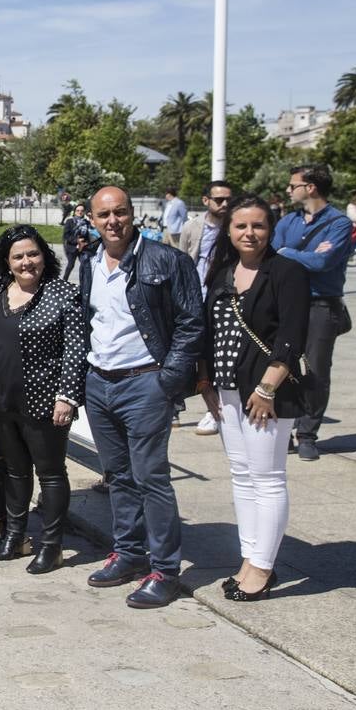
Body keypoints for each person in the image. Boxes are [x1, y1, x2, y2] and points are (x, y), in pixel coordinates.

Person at [80, 186, 203, 609]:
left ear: (133, 215)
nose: (112, 221)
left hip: (145, 383)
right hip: (100, 384)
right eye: (103, 214)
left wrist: (168, 380)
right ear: (91, 219)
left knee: (151, 478)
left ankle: (165, 570)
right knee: (118, 475)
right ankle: (129, 553)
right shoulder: (86, 263)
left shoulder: (168, 260)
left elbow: (191, 323)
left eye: (120, 212)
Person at [197, 194, 310, 601]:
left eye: (258, 225)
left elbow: (292, 335)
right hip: (227, 390)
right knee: (242, 477)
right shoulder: (222, 273)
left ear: (271, 229)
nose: (250, 233)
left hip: (266, 393)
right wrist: (206, 383)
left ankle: (263, 567)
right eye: (241, 225)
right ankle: (250, 558)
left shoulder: (287, 272)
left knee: (268, 478)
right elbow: (209, 332)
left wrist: (267, 388)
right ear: (229, 230)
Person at [0, 226, 86, 574]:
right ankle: (15, 536)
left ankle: (51, 545)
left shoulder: (62, 293)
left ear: (44, 256)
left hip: (44, 401)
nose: (26, 262)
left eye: (33, 254)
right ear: (7, 262)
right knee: (13, 470)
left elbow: (76, 348)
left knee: (51, 473)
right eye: (18, 256)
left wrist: (67, 397)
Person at [272, 164, 353, 462]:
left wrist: (288, 254)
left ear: (311, 188)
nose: (288, 190)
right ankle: (285, 429)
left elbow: (323, 263)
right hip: (288, 302)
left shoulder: (339, 223)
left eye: (293, 185)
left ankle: (307, 434)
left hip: (322, 304)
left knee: (316, 371)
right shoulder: (287, 221)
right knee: (283, 365)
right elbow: (272, 253)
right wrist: (299, 256)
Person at [179, 181, 235, 437]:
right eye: (219, 200)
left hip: (224, 298)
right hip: (195, 297)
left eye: (228, 200)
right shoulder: (192, 226)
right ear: (206, 201)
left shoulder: (235, 226)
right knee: (192, 351)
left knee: (218, 353)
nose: (224, 204)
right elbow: (183, 258)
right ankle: (176, 404)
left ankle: (215, 407)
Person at [62, 204, 89, 282]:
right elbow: (66, 235)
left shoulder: (86, 222)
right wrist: (76, 241)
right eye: (78, 210)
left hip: (83, 247)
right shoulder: (70, 221)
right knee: (71, 265)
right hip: (72, 247)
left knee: (84, 265)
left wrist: (85, 242)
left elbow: (88, 235)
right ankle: (64, 280)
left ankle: (84, 283)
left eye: (82, 211)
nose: (80, 212)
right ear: (74, 212)